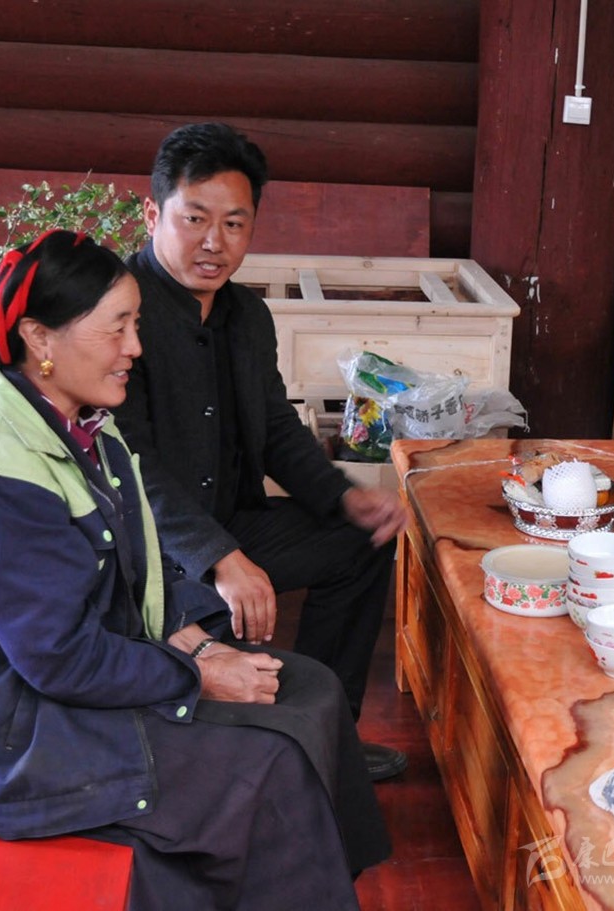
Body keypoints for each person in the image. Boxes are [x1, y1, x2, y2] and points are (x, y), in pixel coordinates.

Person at [0, 230, 390, 910]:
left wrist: (195, 642)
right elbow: (57, 658)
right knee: (270, 761)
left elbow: (136, 570)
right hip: (12, 732)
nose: (135, 346)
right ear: (40, 338)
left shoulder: (86, 426)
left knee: (312, 690)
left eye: (136, 324)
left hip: (72, 679)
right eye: (118, 327)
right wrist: (197, 674)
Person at [113, 122, 409, 781]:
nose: (214, 242)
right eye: (194, 219)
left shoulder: (247, 316)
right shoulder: (118, 310)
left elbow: (274, 427)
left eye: (234, 224)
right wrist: (220, 558)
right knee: (212, 699)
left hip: (231, 522)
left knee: (361, 543)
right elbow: (127, 464)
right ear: (153, 214)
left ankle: (326, 736)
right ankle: (256, 751)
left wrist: (344, 497)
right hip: (147, 552)